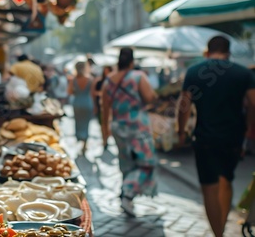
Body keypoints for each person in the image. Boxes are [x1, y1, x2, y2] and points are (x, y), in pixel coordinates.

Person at [176, 35, 255, 237]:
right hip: (233, 137)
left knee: (209, 187)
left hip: (205, 138)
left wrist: (181, 131)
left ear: (207, 51)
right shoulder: (242, 74)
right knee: (226, 180)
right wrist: (247, 128)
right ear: (228, 52)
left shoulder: (194, 71)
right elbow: (253, 104)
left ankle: (218, 233)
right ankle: (222, 225)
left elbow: (184, 105)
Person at [101, 47, 158, 216]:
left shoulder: (108, 81)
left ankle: (127, 196)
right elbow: (150, 98)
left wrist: (105, 132)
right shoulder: (138, 77)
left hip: (118, 126)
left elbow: (104, 109)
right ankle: (127, 193)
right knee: (146, 164)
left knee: (126, 164)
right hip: (137, 126)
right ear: (132, 61)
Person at [68, 61, 95, 154]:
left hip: (77, 102)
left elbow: (70, 92)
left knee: (78, 122)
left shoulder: (73, 79)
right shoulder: (90, 79)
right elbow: (92, 93)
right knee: (86, 123)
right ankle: (85, 143)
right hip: (87, 102)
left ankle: (79, 137)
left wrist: (77, 91)